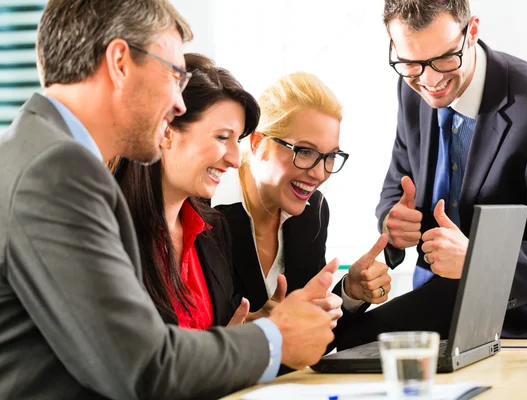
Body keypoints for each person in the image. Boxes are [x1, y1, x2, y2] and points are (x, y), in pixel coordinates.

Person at [0, 1, 337, 399]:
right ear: (120, 62)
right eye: (173, 75)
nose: (178, 104)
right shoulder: (58, 168)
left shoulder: (39, 151)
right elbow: (141, 365)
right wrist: (276, 338)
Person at [368, 0, 527, 341]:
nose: (430, 80)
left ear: (472, 31)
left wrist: (478, 262)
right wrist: (393, 220)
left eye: (446, 58)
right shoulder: (410, 87)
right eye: (411, 63)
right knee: (338, 345)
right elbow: (399, 181)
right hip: (439, 308)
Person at [110, 53, 286, 330]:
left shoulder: (214, 230)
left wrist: (253, 332)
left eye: (236, 141)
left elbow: (218, 338)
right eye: (222, 137)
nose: (234, 159)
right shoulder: (108, 231)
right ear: (166, 130)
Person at [214, 72, 392, 343]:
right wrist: (250, 334)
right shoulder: (205, 210)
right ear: (258, 143)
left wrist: (351, 292)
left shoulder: (313, 211)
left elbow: (310, 335)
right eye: (305, 151)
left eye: (330, 156)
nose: (320, 174)